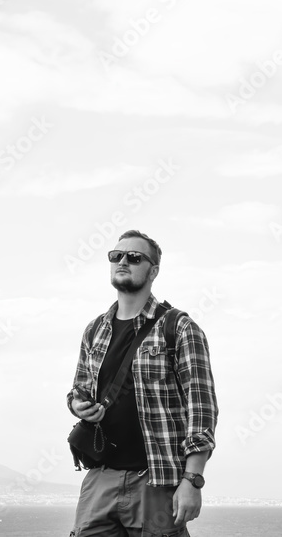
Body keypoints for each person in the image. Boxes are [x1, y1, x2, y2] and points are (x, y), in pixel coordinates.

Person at [66, 230, 218, 537]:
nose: (123, 261)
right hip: (100, 478)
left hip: (156, 481)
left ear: (154, 270)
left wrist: (192, 481)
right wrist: (78, 405)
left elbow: (201, 411)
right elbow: (77, 390)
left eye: (134, 257)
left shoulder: (179, 328)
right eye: (116, 256)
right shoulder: (95, 330)